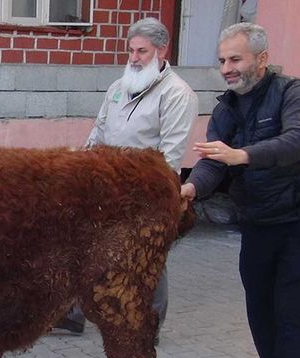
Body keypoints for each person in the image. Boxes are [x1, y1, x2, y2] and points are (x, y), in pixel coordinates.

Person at [181, 23, 300, 358]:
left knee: (291, 310)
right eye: (222, 61)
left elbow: (299, 141)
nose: (227, 69)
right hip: (260, 222)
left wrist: (243, 155)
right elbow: (215, 160)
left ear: (261, 60)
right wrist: (191, 188)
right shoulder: (226, 108)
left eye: (235, 59)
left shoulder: (294, 94)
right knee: (259, 307)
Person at [55, 17, 198, 338]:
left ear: (162, 50)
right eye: (130, 51)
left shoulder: (177, 95)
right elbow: (100, 130)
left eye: (142, 51)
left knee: (147, 259)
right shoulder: (119, 87)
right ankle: (75, 314)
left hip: (146, 190)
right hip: (104, 185)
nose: (134, 58)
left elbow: (170, 155)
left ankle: (150, 324)